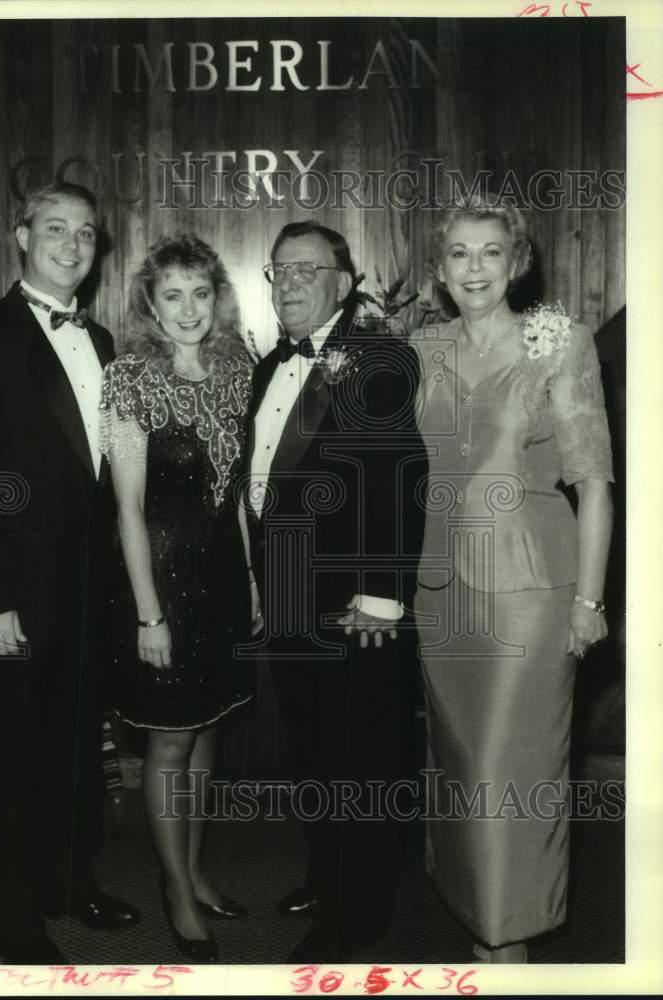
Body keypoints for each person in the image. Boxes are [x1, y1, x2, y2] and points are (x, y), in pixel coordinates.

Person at [0, 181, 140, 964]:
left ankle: (70, 883)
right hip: (12, 592)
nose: (72, 244)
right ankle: (14, 920)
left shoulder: (106, 342)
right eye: (55, 228)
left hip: (91, 589)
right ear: (20, 236)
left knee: (75, 743)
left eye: (86, 233)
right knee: (9, 753)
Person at [411, 196, 613, 963]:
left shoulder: (556, 341)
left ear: (516, 262)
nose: (473, 268)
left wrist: (589, 600)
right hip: (441, 594)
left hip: (529, 593)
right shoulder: (421, 347)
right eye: (458, 253)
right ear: (438, 269)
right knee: (459, 770)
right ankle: (480, 937)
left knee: (508, 771)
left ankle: (512, 944)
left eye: (490, 252)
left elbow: (592, 483)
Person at [245, 221, 426, 962]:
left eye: (307, 270)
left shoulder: (379, 358)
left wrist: (382, 595)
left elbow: (400, 480)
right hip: (287, 596)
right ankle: (327, 875)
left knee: (361, 762)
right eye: (279, 270)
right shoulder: (269, 367)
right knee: (315, 752)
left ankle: (356, 919)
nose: (290, 282)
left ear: (344, 284)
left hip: (353, 606)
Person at [98, 234, 256, 963]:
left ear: (216, 296)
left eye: (200, 292)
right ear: (149, 304)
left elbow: (239, 497)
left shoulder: (236, 365)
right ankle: (176, 893)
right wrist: (147, 613)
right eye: (172, 295)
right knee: (168, 738)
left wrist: (251, 578)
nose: (189, 309)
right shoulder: (128, 378)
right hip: (160, 574)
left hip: (223, 572)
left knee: (208, 729)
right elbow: (126, 508)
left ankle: (191, 868)